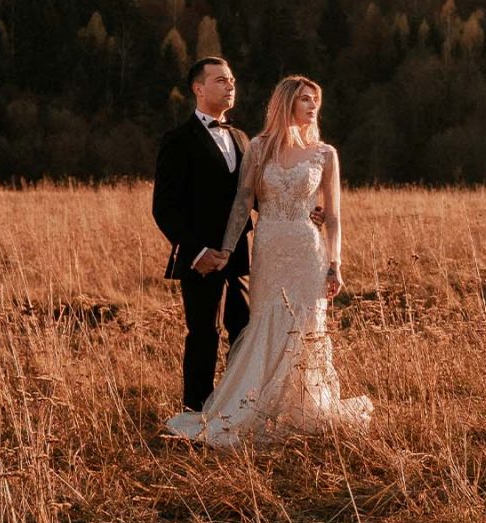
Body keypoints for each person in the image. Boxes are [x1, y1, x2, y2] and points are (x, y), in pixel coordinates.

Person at [163, 74, 372, 445]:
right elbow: (243, 204)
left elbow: (335, 215)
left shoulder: (326, 154)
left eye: (316, 101)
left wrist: (335, 263)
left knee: (307, 327)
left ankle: (303, 408)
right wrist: (227, 249)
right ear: (287, 102)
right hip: (270, 246)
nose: (312, 107)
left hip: (308, 249)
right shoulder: (258, 148)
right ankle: (252, 406)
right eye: (306, 99)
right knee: (265, 324)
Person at [151, 56, 252, 413]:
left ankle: (237, 405)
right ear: (198, 88)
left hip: (239, 253)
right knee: (203, 335)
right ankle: (196, 412)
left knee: (244, 332)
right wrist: (196, 253)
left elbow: (252, 197)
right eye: (221, 80)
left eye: (232, 80)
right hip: (198, 258)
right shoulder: (177, 140)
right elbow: (164, 208)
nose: (230, 86)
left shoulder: (241, 138)